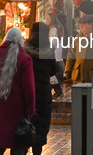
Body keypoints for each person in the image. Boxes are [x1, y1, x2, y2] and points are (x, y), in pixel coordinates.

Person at [0, 28, 35, 155]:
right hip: (17, 111)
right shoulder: (25, 59)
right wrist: (30, 110)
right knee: (18, 147)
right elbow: (28, 88)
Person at [23, 23, 56, 155]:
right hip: (43, 93)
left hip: (26, 91)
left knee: (25, 121)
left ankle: (23, 148)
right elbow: (53, 70)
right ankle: (37, 151)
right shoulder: (49, 50)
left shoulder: (24, 48)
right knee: (41, 122)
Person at [46, 12, 65, 98]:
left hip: (54, 53)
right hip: (56, 53)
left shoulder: (54, 28)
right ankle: (56, 90)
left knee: (53, 73)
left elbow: (53, 41)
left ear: (52, 20)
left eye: (48, 19)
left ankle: (58, 90)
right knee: (54, 73)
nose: (46, 21)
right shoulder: (58, 27)